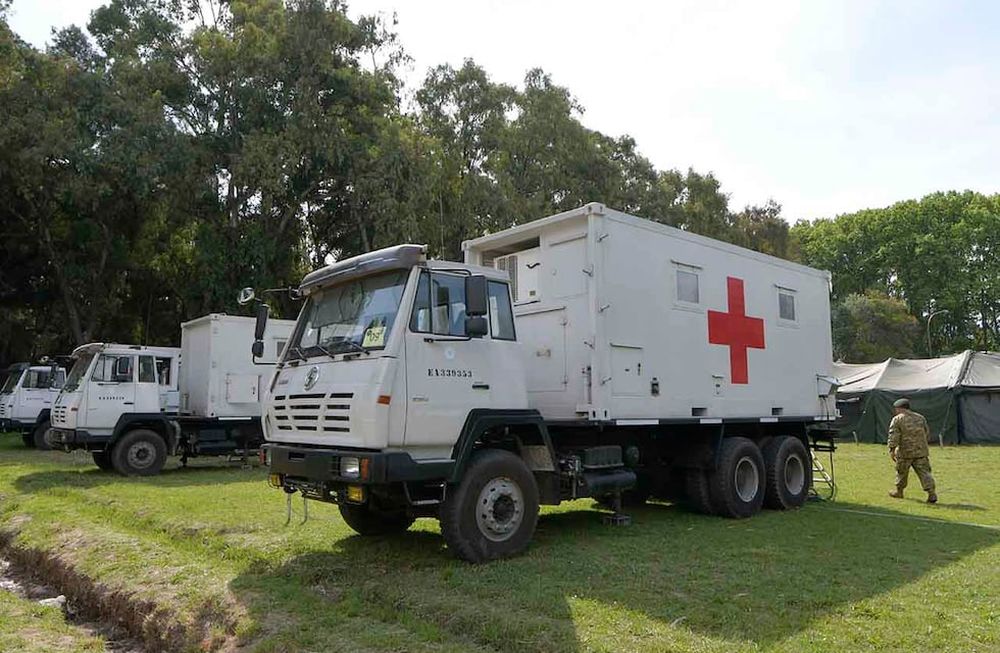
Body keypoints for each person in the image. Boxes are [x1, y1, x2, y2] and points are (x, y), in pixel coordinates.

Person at [887, 398, 937, 503]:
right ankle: (931, 493)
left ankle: (899, 491)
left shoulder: (897, 419)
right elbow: (926, 432)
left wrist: (892, 449)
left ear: (899, 408)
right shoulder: (920, 418)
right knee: (925, 473)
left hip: (905, 452)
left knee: (901, 473)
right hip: (921, 451)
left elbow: (894, 435)